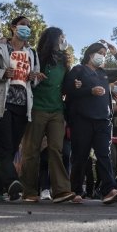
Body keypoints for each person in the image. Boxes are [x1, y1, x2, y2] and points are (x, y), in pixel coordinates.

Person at [0, 16, 40, 201]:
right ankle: (12, 182)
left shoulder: (32, 52)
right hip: (1, 102)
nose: (26, 28)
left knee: (11, 147)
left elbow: (35, 78)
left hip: (23, 105)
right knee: (3, 145)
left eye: (29, 26)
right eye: (23, 25)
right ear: (13, 27)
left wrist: (33, 77)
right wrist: (1, 73)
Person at [63, 40, 117, 204]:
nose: (102, 56)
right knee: (80, 156)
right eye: (100, 53)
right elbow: (67, 89)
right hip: (82, 120)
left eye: (105, 54)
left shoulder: (104, 73)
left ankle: (109, 190)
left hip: (103, 121)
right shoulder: (78, 70)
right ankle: (76, 190)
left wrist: (116, 53)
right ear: (90, 53)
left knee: (104, 155)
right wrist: (89, 90)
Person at [20, 27, 75, 203]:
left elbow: (65, 87)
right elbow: (27, 77)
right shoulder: (36, 56)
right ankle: (28, 191)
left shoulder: (65, 61)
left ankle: (61, 191)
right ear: (52, 39)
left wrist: (76, 85)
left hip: (57, 111)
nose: (64, 40)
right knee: (31, 150)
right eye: (61, 36)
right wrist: (34, 76)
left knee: (56, 150)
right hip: (37, 108)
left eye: (64, 36)